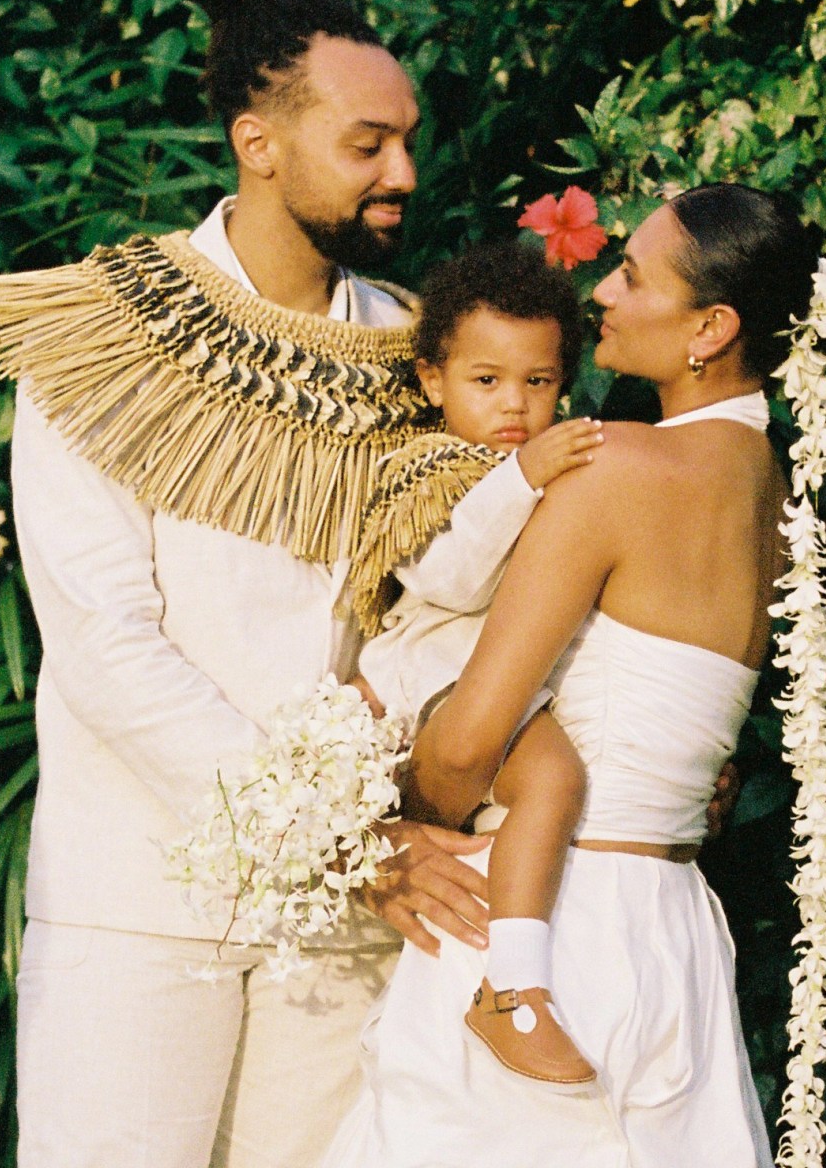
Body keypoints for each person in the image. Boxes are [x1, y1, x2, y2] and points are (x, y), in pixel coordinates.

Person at [0, 0, 492, 1168]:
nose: (403, 170)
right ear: (260, 143)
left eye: (407, 138)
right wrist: (344, 842)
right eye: (368, 144)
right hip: (142, 904)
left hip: (351, 931)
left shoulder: (422, 355)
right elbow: (107, 651)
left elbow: (458, 611)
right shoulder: (95, 343)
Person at [322, 183, 810, 1167]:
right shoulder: (778, 497)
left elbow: (466, 741)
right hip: (672, 926)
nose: (605, 294)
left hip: (543, 913)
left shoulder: (615, 467)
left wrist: (392, 818)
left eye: (632, 275)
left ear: (709, 327)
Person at [338, 239, 604, 1085]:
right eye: (487, 382)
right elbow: (446, 577)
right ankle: (511, 989)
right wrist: (520, 480)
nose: (516, 406)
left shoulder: (558, 464)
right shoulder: (430, 468)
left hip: (502, 683)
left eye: (539, 382)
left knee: (546, 800)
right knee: (554, 780)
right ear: (432, 382)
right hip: (437, 678)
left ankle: (502, 966)